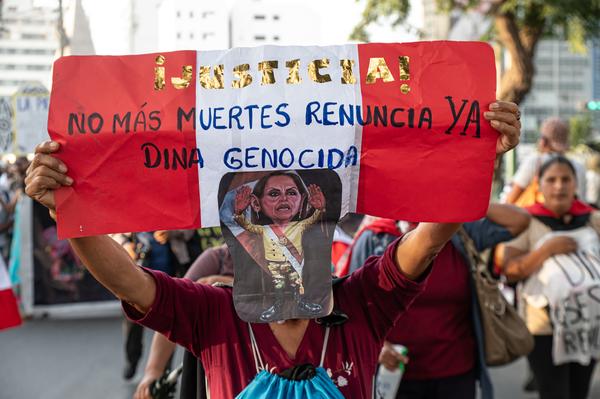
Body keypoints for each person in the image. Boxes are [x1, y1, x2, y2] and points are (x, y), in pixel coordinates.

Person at [24, 101, 520, 398]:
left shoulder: (364, 303)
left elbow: (430, 237)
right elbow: (128, 280)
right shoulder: (212, 314)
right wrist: (65, 210)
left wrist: (474, 162)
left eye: (302, 232)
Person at [352, 205, 529, 399]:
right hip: (397, 375)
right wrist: (380, 347)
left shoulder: (458, 231)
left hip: (457, 372)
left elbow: (519, 221)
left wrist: (465, 199)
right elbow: (353, 309)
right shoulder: (376, 236)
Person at [503, 156, 600, 399]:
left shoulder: (592, 219)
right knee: (554, 391)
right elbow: (510, 270)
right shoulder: (525, 221)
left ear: (575, 184)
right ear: (540, 185)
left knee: (580, 390)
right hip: (543, 328)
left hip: (587, 323)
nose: (559, 186)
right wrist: (545, 250)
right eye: (552, 180)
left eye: (566, 179)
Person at [134, 244, 234, 399]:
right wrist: (153, 371)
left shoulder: (281, 258)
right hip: (219, 366)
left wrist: (229, 284)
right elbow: (175, 307)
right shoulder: (219, 257)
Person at [232, 171, 326, 321]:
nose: (283, 199)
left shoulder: (300, 226)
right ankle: (278, 306)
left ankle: (299, 303)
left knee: (296, 283)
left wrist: (320, 209)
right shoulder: (264, 230)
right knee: (279, 285)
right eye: (274, 194)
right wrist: (238, 212)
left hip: (294, 264)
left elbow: (314, 219)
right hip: (274, 265)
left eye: (291, 193)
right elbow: (246, 225)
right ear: (256, 203)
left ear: (302, 201)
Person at [505, 117, 586, 205]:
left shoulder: (534, 162)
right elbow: (581, 201)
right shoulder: (578, 166)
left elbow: (511, 199)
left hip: (535, 216)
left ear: (543, 141)